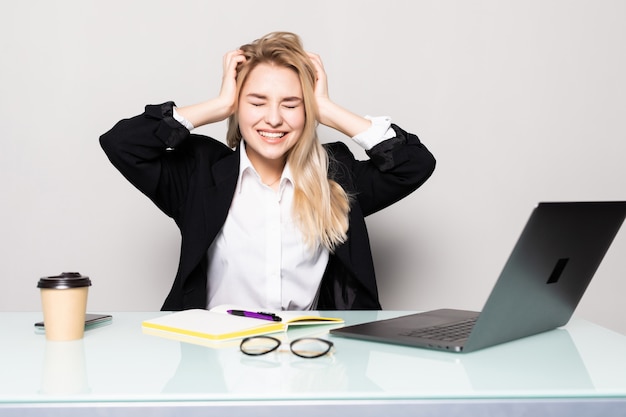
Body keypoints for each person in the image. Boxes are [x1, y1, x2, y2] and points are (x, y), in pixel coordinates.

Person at [100, 32, 436, 312]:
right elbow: (122, 144)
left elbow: (415, 164)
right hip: (214, 364)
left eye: (291, 104)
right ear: (237, 105)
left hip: (311, 362)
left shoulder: (334, 175)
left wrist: (329, 111)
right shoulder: (200, 174)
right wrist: (218, 106)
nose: (273, 119)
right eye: (257, 102)